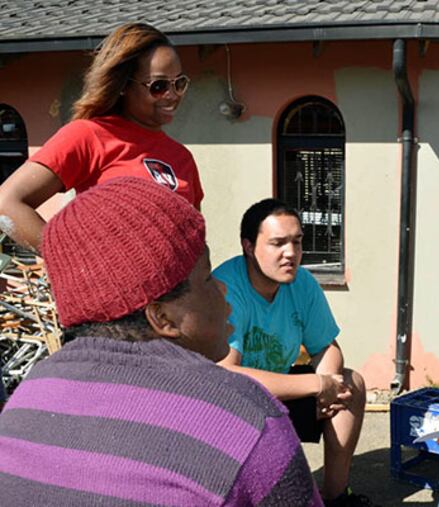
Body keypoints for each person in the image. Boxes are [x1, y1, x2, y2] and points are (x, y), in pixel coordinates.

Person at [0, 177, 320, 505]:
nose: (223, 290)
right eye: (208, 277)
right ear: (162, 318)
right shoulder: (245, 419)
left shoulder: (28, 394)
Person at [214, 199, 371, 507]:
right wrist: (316, 385)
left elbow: (325, 346)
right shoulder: (226, 288)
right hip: (230, 406)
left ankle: (336, 498)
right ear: (248, 246)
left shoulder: (302, 283)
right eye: (277, 243)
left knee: (352, 385)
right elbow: (227, 373)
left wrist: (330, 383)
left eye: (297, 242)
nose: (291, 253)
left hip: (278, 392)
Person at [0, 23, 203, 253]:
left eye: (180, 83)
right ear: (124, 85)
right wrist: (71, 261)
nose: (173, 95)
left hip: (179, 288)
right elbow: (6, 203)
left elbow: (195, 244)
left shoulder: (181, 157)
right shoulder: (89, 135)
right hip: (116, 289)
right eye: (159, 86)